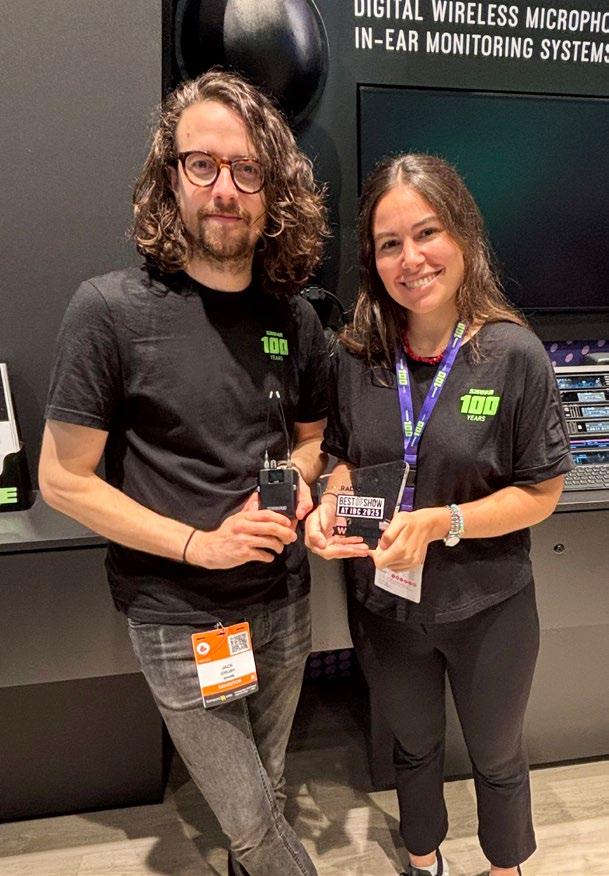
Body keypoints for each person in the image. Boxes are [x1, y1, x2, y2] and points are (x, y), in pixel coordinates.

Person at [39, 69, 330, 876]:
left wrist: (297, 478)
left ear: (272, 189)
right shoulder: (108, 311)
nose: (224, 189)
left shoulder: (293, 317)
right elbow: (63, 480)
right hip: (180, 616)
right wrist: (201, 544)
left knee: (268, 792)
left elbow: (312, 440)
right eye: (203, 165)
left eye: (246, 170)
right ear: (170, 177)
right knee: (254, 824)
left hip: (283, 601)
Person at [306, 153, 573, 876]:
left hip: (488, 604)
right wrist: (330, 506)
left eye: (426, 233)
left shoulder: (512, 354)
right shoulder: (355, 356)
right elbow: (342, 457)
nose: (411, 258)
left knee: (497, 757)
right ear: (372, 261)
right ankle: (423, 863)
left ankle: (504, 867)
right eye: (389, 243)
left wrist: (439, 522)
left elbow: (540, 492)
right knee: (413, 747)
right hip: (385, 608)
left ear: (463, 235)